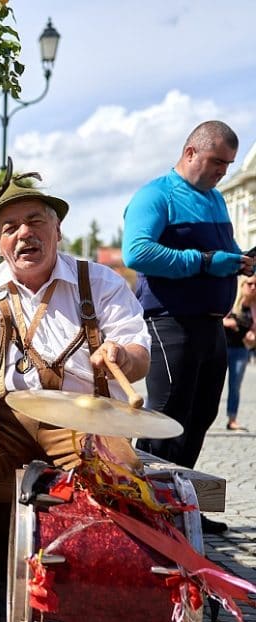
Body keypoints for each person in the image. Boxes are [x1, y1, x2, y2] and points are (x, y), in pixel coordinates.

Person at [0, 169, 150, 622]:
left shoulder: (100, 282)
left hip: (83, 420)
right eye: (10, 227)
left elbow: (139, 356)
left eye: (35, 221)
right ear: (0, 243)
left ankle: (103, 581)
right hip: (10, 421)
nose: (24, 233)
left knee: (122, 465)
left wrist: (121, 354)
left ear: (57, 229)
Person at [122, 120, 254, 534]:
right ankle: (143, 511)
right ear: (190, 152)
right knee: (167, 418)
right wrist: (205, 262)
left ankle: (179, 508)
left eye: (228, 164)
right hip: (170, 322)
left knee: (200, 415)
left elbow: (223, 252)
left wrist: (241, 260)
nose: (223, 172)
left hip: (211, 325)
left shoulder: (214, 199)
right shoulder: (155, 195)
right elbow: (136, 252)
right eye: (217, 162)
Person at [223, 275, 256, 431]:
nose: (253, 287)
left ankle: (232, 419)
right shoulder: (231, 303)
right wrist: (228, 322)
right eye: (250, 284)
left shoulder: (254, 307)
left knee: (235, 385)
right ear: (242, 285)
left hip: (241, 350)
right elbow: (216, 320)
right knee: (211, 383)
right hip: (222, 347)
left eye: (255, 285)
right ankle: (202, 417)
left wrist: (253, 336)